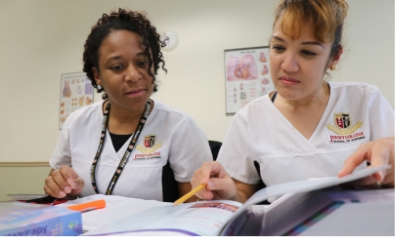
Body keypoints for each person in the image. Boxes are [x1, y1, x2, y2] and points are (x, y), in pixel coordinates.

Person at [191, 0, 394, 203]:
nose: (288, 66)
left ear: (334, 57)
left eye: (307, 52)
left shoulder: (365, 100)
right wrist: (224, 191)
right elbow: (242, 193)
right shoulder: (249, 119)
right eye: (279, 47)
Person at [44, 8, 212, 202]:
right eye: (117, 67)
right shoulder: (77, 123)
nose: (134, 75)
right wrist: (64, 187)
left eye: (142, 62)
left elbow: (199, 207)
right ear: (97, 75)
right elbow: (55, 187)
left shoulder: (179, 126)